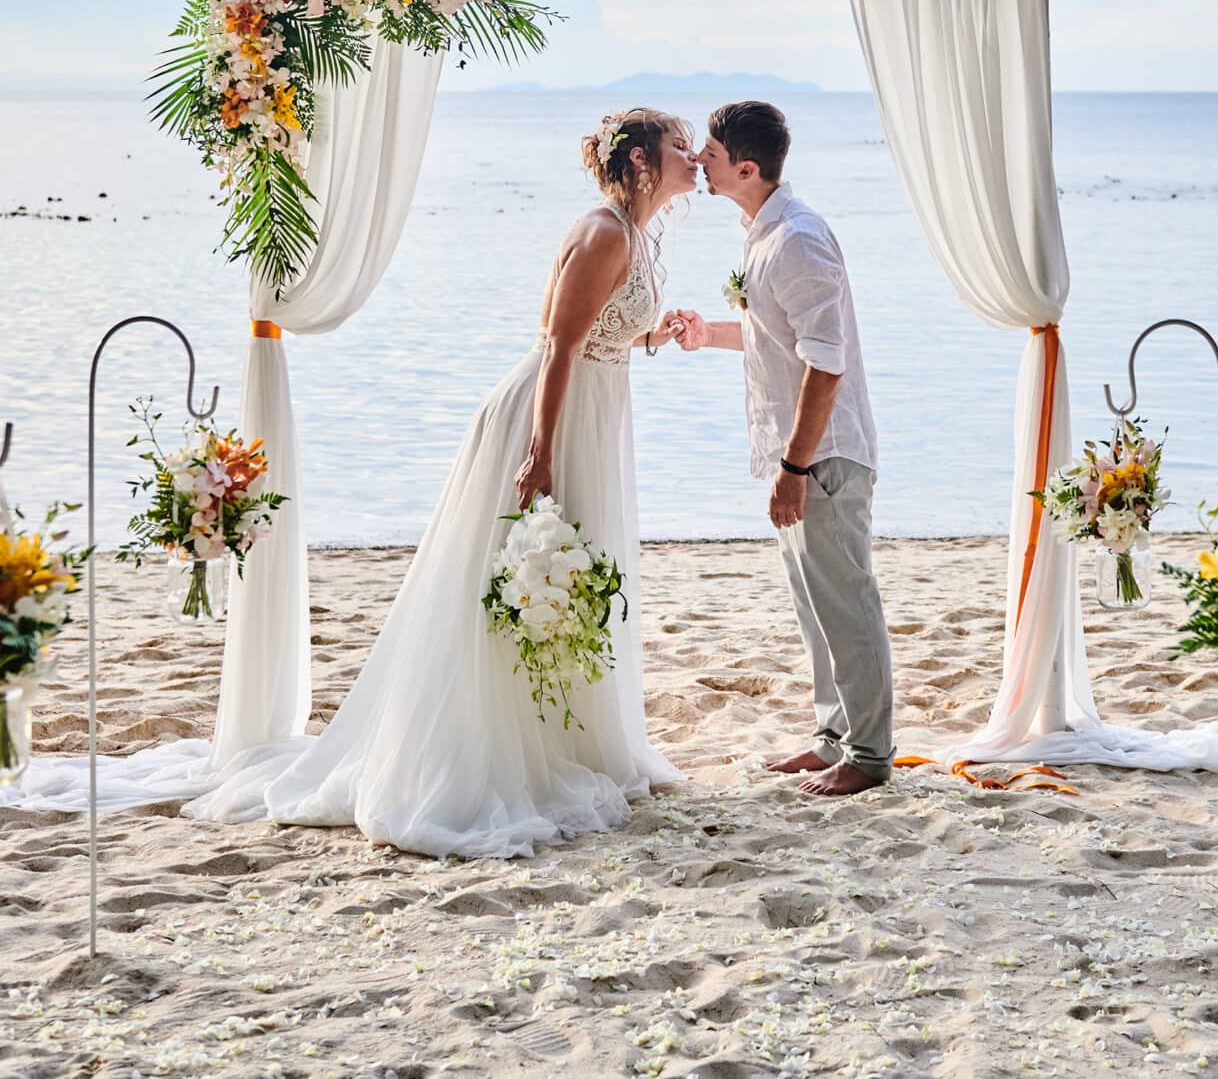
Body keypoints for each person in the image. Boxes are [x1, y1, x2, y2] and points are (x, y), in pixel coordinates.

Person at [186, 107, 696, 855]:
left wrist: (657, 332)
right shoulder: (604, 232)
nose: (694, 154)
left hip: (594, 414)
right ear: (644, 159)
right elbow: (558, 346)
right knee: (517, 580)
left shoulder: (639, 236)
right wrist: (540, 453)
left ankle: (575, 738)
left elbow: (602, 332)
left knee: (575, 581)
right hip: (548, 416)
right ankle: (478, 751)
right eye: (679, 144)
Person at [663, 101, 891, 797]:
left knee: (845, 601)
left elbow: (828, 363)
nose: (699, 159)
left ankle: (870, 753)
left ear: (747, 167)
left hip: (824, 454)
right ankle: (832, 738)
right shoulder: (760, 233)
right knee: (815, 604)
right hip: (795, 452)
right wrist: (711, 334)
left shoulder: (797, 239)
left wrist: (795, 468)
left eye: (709, 150)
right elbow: (777, 335)